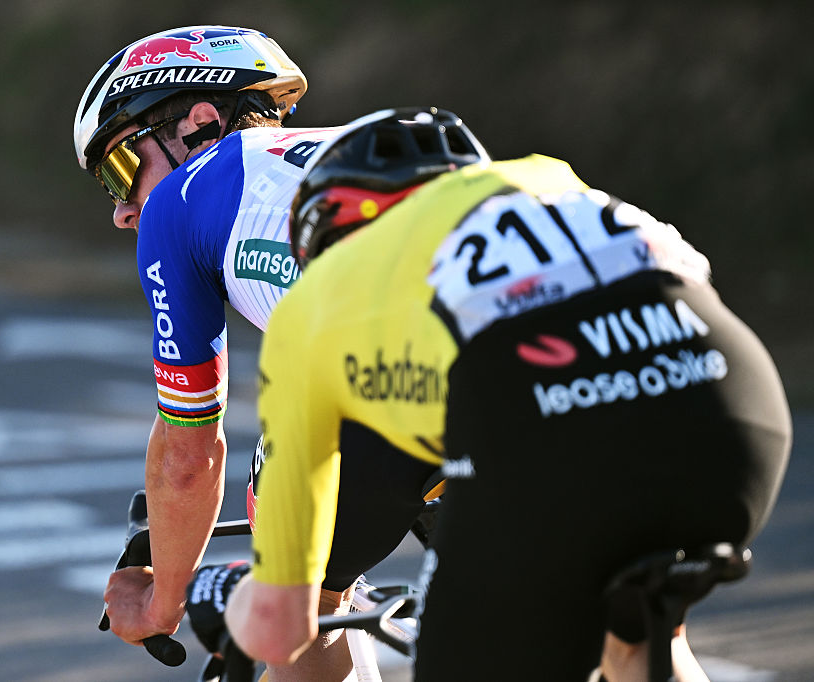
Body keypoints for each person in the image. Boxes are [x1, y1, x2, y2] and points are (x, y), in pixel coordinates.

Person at [224, 107, 793, 681]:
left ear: (335, 232)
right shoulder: (551, 180)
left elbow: (282, 624)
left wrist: (232, 596)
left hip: (557, 445)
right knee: (641, 645)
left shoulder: (316, 303)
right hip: (741, 414)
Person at [73, 28, 466, 680]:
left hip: (408, 379)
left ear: (199, 123)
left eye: (120, 170)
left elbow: (189, 452)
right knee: (632, 623)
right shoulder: (360, 145)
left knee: (295, 597)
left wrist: (163, 600)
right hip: (589, 338)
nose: (121, 212)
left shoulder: (183, 197)